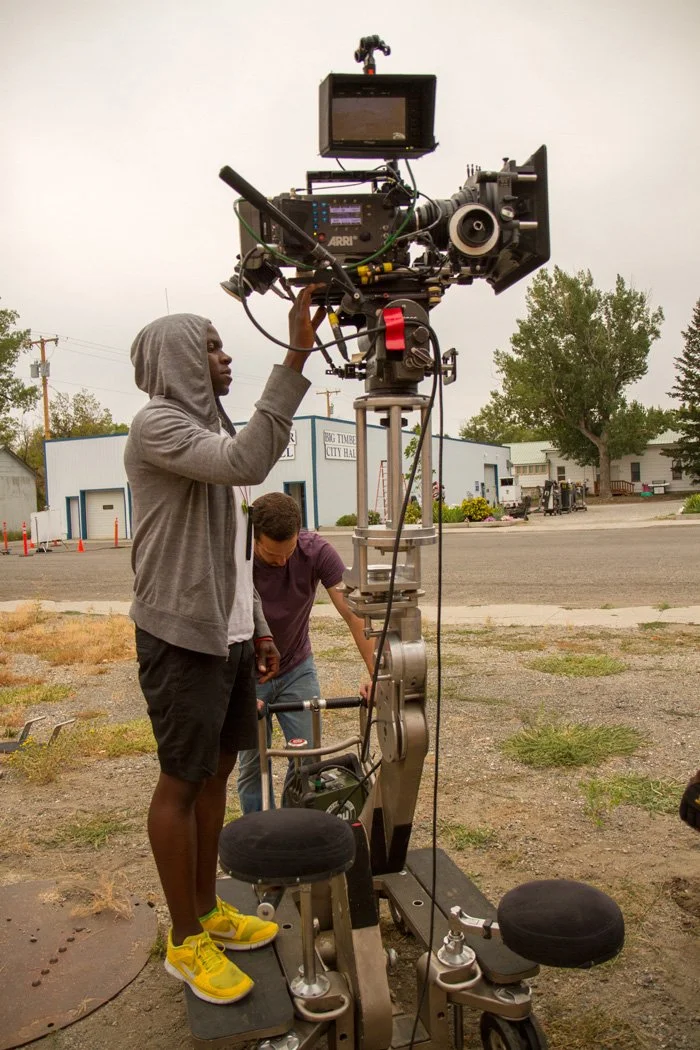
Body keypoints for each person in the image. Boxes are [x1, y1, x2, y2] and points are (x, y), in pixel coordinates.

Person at [124, 287, 324, 1006]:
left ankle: (208, 912)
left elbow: (229, 547)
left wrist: (259, 628)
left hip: (229, 634)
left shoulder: (200, 433)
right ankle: (184, 942)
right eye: (210, 345)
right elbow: (249, 462)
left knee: (215, 778)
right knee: (180, 784)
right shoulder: (159, 427)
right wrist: (297, 353)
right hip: (181, 637)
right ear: (180, 358)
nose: (224, 354)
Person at [236, 491, 375, 814]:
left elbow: (354, 613)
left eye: (288, 553)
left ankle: (294, 832)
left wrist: (377, 672)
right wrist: (234, 686)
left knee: (308, 762)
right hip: (247, 674)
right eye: (272, 555)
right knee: (253, 764)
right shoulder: (237, 558)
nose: (283, 562)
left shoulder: (317, 551)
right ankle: (261, 839)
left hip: (297, 667)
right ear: (253, 538)